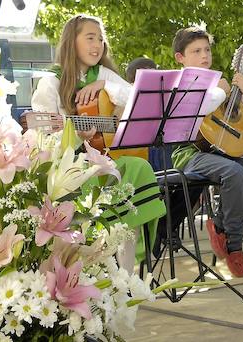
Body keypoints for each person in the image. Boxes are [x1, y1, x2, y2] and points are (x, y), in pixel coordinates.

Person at [31, 14, 166, 269]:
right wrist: (73, 137)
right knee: (122, 174)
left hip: (106, 159)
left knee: (140, 168)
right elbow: (43, 139)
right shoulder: (51, 81)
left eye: (101, 39)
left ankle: (127, 271)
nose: (97, 45)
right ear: (72, 41)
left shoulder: (101, 73)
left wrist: (106, 85)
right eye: (90, 38)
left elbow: (138, 99)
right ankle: (101, 264)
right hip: (70, 169)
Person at [170, 27, 243, 277]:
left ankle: (221, 224)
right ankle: (234, 242)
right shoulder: (179, 83)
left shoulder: (219, 82)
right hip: (190, 153)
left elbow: (236, 122)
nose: (204, 55)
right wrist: (223, 91)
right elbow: (202, 107)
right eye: (196, 51)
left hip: (220, 151)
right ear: (180, 57)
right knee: (235, 171)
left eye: (207, 50)